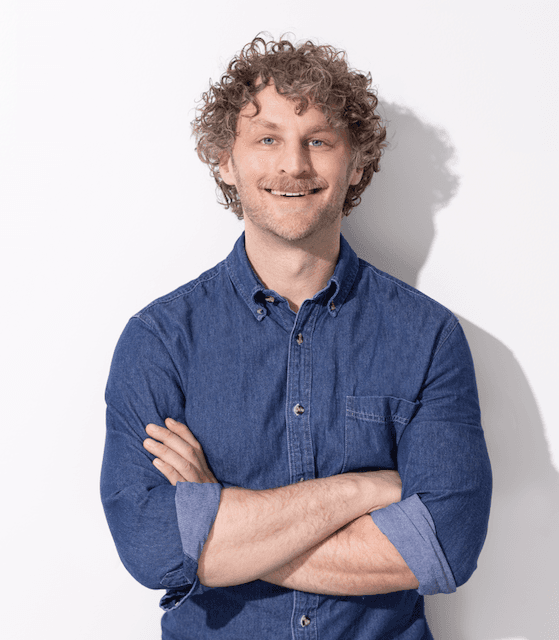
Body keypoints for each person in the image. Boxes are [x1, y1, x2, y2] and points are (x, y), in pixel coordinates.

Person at [101, 35, 492, 639]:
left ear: (356, 162)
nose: (294, 165)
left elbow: (443, 547)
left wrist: (222, 525)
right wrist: (363, 490)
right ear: (225, 161)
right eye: (267, 139)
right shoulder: (158, 341)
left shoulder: (428, 338)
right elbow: (154, 549)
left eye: (318, 140)